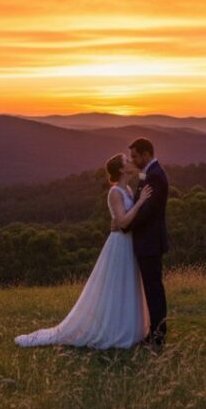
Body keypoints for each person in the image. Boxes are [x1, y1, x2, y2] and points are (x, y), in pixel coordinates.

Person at [14, 153, 152, 349]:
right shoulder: (115, 192)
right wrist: (140, 203)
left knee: (127, 285)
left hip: (129, 244)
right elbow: (121, 222)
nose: (130, 162)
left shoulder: (128, 189)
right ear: (121, 169)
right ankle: (112, 330)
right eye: (126, 161)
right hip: (120, 245)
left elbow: (124, 219)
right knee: (115, 287)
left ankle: (127, 327)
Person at [112, 137, 169, 349]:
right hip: (147, 242)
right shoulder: (149, 173)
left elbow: (146, 213)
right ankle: (153, 333)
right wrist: (119, 219)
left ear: (146, 154)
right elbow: (138, 204)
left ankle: (158, 337)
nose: (134, 161)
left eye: (136, 156)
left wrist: (125, 225)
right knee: (151, 289)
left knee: (154, 290)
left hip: (150, 243)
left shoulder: (155, 176)